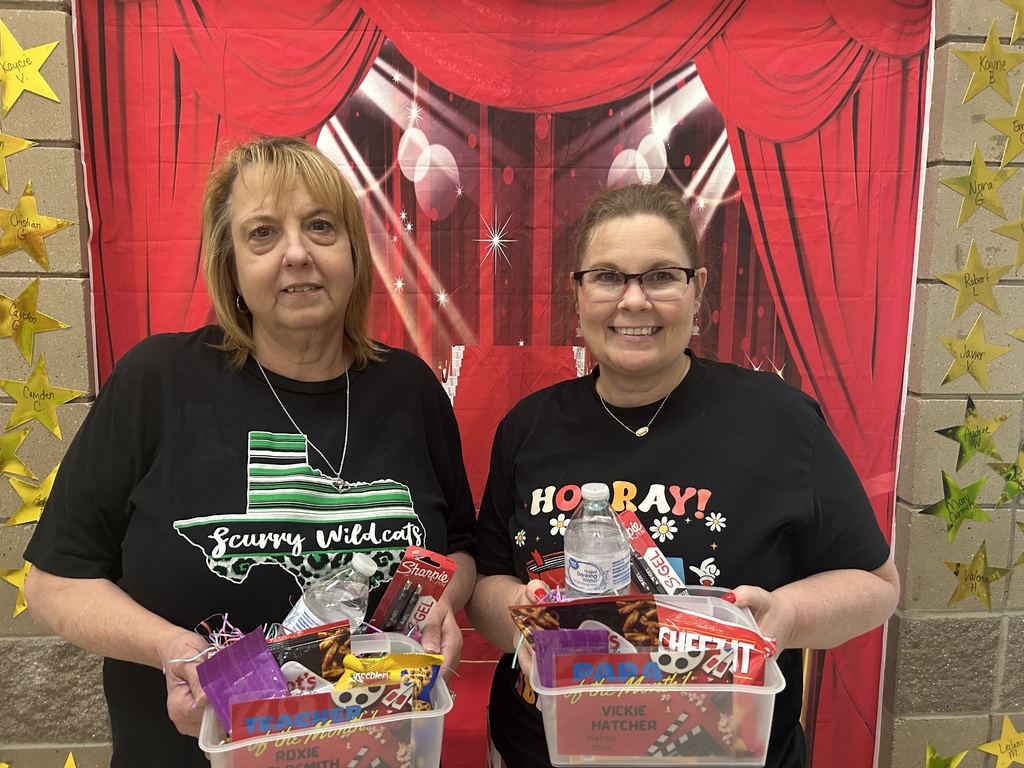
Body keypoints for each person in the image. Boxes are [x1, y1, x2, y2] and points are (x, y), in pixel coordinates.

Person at [23, 136, 477, 767]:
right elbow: (55, 582)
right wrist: (173, 650)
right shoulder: (156, 382)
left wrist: (440, 607)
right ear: (230, 263)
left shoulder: (411, 390)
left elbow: (458, 549)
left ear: (353, 252)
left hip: (376, 750)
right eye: (262, 233)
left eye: (320, 226)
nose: (296, 254)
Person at [466, 182, 899, 768]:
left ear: (697, 290)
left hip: (723, 748)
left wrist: (785, 617)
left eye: (661, 276)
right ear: (578, 294)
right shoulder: (529, 428)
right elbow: (486, 585)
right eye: (608, 276)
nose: (634, 301)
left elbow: (875, 583)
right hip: (545, 749)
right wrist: (524, 616)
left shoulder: (777, 419)